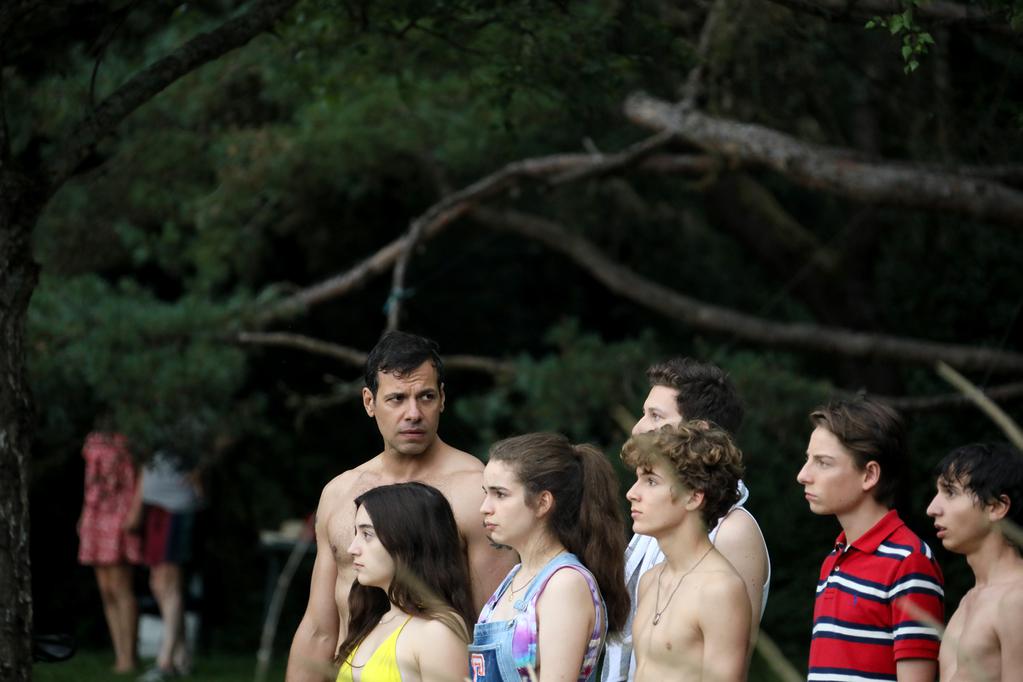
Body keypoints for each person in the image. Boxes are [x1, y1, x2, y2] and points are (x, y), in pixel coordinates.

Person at [288, 331, 515, 682]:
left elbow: (493, 626)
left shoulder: (477, 491)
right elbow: (319, 629)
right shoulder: (340, 493)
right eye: (396, 399)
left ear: (442, 399)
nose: (413, 413)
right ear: (369, 402)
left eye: (425, 397)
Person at [602, 357, 770, 682]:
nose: (638, 427)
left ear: (700, 431)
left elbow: (731, 660)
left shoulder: (732, 530)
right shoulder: (655, 530)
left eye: (655, 416)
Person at [797, 397, 944, 682]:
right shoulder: (834, 559)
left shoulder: (909, 561)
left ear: (869, 474)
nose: (803, 475)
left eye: (823, 463)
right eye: (807, 460)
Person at [472, 432, 629, 682]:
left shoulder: (564, 584)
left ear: (543, 502)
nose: (485, 507)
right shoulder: (516, 575)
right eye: (486, 493)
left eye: (500, 494)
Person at [624, 422, 751, 682]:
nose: (631, 493)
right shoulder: (650, 579)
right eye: (637, 479)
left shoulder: (720, 589)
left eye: (650, 481)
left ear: (693, 497)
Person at [336, 482, 474, 682]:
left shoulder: (436, 632)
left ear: (408, 539)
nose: (352, 548)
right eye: (356, 533)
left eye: (367, 534)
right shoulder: (375, 619)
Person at [926, 442, 1023, 682]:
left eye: (950, 492)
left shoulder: (1017, 600)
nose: (931, 508)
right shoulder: (970, 599)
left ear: (996, 507)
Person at [77, 426, 143, 674]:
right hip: (95, 511)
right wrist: (85, 514)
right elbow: (90, 482)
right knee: (105, 589)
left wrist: (135, 510)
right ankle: (120, 654)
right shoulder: (93, 438)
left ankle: (130, 656)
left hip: (119, 511)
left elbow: (139, 476)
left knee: (121, 587)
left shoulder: (132, 438)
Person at [134, 448, 203, 682]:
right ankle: (182, 657)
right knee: (158, 583)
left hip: (176, 505)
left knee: (169, 583)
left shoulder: (183, 420)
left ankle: (165, 662)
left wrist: (200, 473)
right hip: (156, 506)